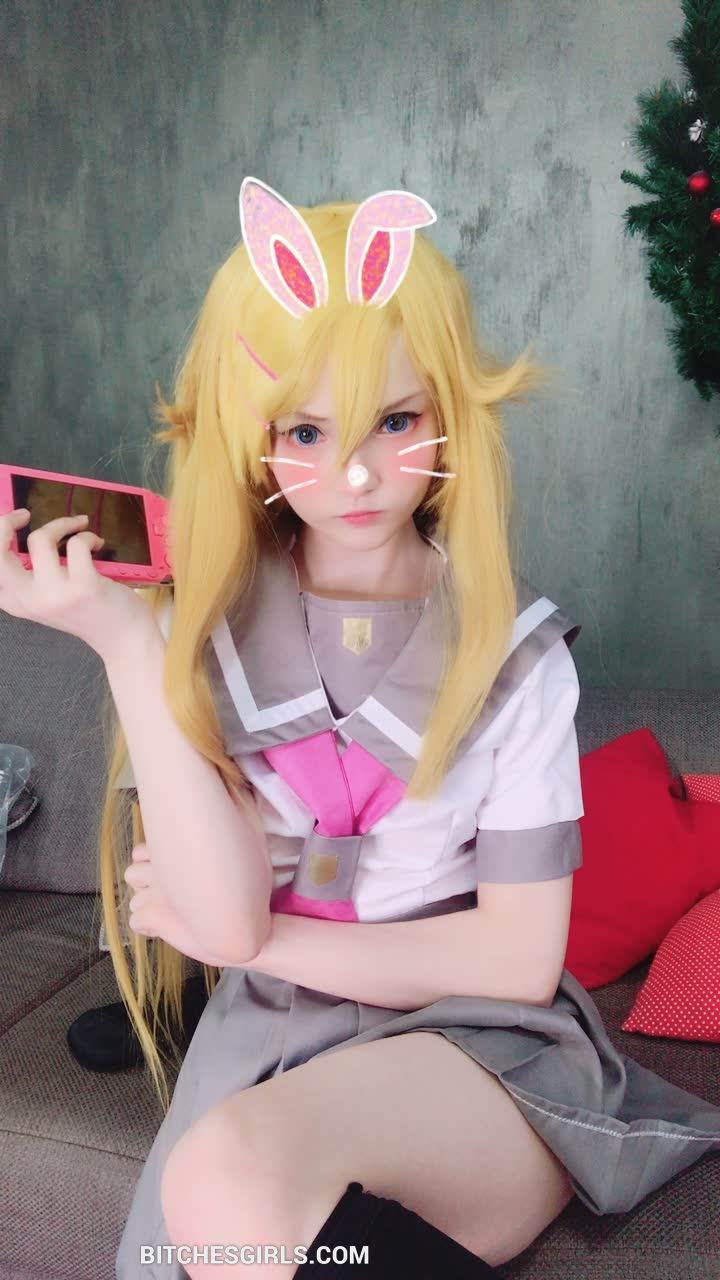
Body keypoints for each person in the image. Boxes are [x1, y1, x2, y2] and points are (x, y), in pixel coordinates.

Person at [2, 178, 719, 1280]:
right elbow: (221, 911)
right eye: (305, 428)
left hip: (474, 1042)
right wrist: (128, 646)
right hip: (269, 1038)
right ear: (252, 435)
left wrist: (257, 945)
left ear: (449, 412)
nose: (353, 473)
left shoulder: (518, 654)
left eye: (395, 421)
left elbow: (515, 962)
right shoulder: (195, 626)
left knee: (224, 1180)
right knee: (226, 1200)